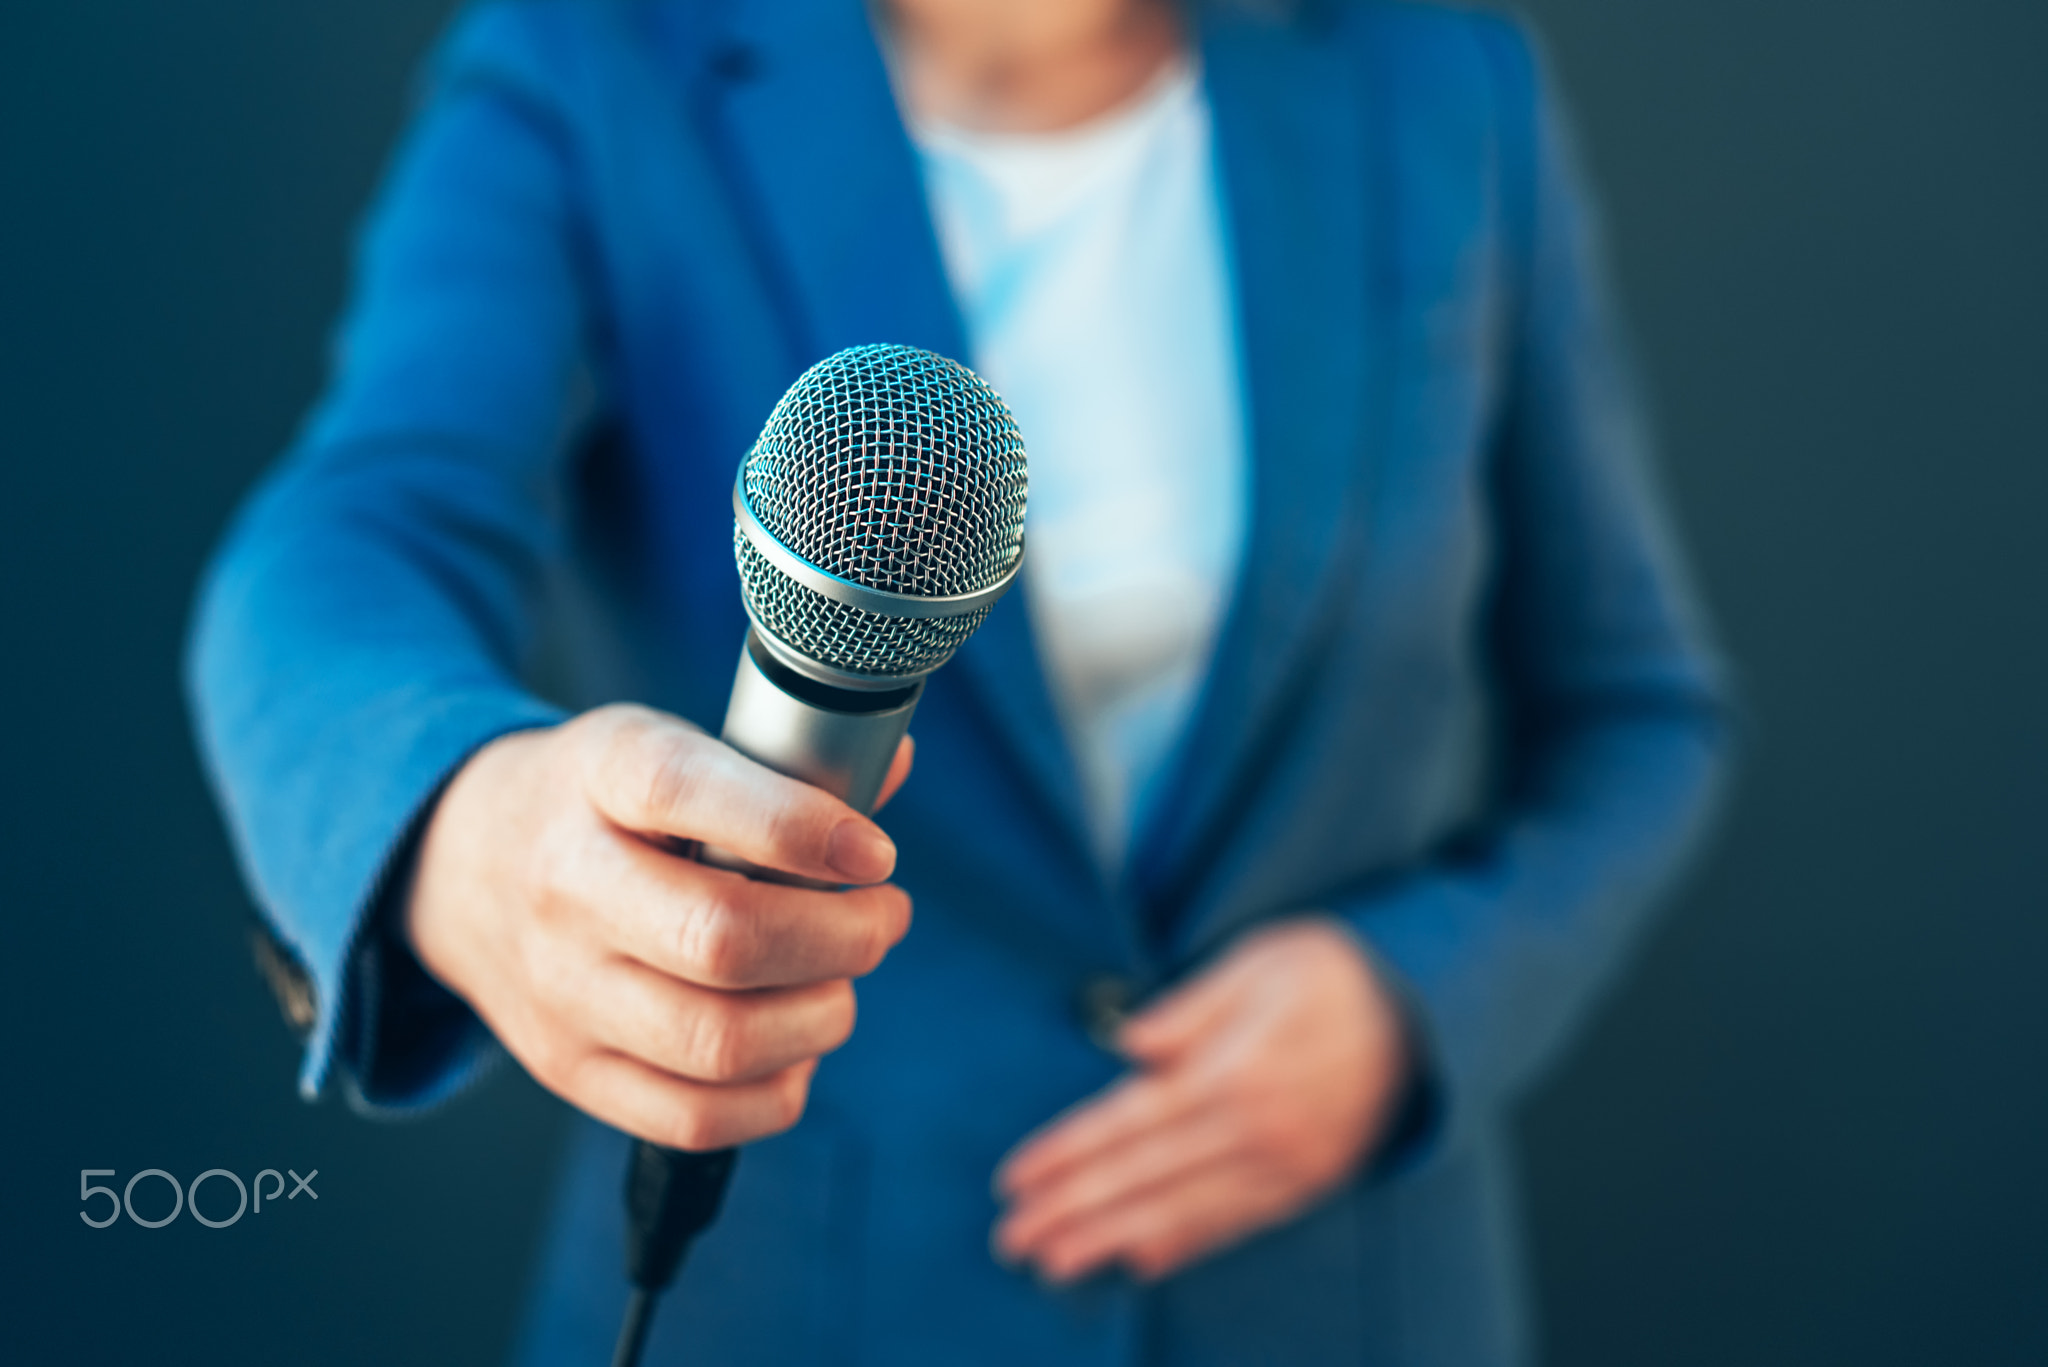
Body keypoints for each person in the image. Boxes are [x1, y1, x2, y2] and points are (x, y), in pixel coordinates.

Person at [186, 0, 1730, 1362]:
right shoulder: (596, 63)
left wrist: (1417, 1004)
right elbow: (355, 530)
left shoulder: (1443, 85)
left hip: (1332, 1300)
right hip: (787, 1296)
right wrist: (457, 824)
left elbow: (1637, 708)